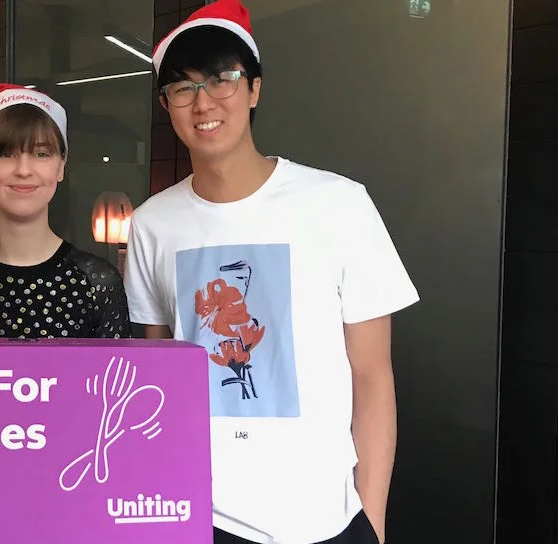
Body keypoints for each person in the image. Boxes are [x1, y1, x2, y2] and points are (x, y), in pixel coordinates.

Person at [124, 2, 419, 543]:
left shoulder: (339, 204)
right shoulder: (151, 225)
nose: (203, 102)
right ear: (166, 105)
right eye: (183, 88)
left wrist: (372, 517)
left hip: (325, 518)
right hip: (200, 514)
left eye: (222, 79)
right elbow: (158, 373)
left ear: (254, 89)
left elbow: (372, 375)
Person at [0, 83, 130, 339]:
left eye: (41, 154)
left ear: (61, 166)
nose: (24, 170)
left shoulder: (98, 283)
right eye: (6, 154)